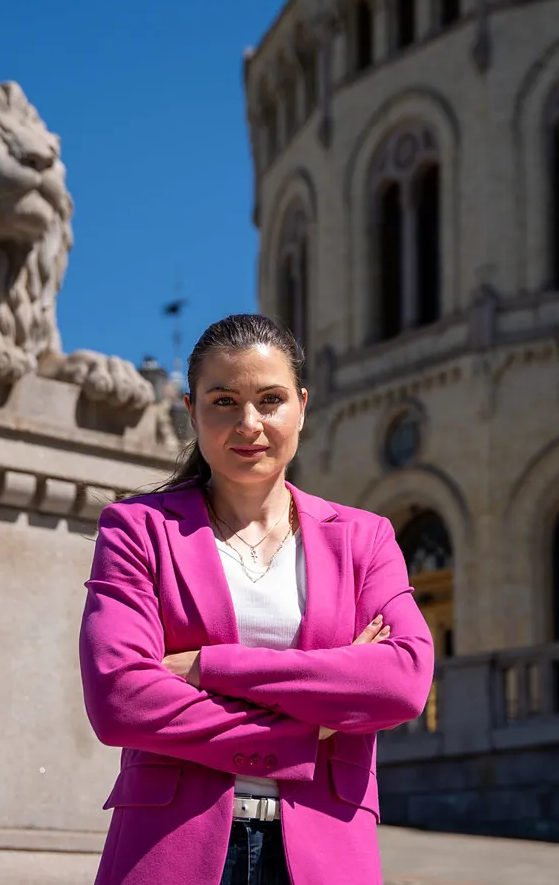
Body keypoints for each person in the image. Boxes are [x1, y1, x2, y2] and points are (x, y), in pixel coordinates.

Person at [78, 313, 435, 885]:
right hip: (170, 847)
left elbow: (401, 682)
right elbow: (120, 698)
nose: (249, 424)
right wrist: (307, 728)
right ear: (192, 411)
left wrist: (210, 667)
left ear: (301, 407)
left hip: (326, 851)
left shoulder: (364, 539)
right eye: (224, 401)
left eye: (270, 400)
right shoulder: (137, 529)